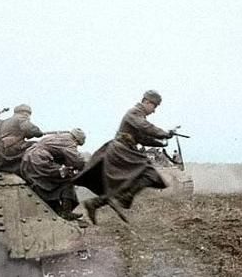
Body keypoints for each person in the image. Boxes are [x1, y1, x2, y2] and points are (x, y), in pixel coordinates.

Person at [74, 90, 175, 224]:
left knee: (142, 177)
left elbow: (142, 138)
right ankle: (120, 198)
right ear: (146, 101)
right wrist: (164, 133)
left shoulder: (139, 116)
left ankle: (97, 203)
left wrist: (162, 142)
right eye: (154, 106)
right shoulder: (134, 112)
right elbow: (145, 127)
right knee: (148, 174)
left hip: (125, 150)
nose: (154, 111)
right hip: (121, 150)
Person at [20, 128, 87, 220]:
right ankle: (66, 212)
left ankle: (58, 211)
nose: (76, 146)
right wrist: (85, 168)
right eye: (78, 144)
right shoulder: (69, 142)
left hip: (27, 159)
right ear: (76, 139)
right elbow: (77, 160)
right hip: (40, 159)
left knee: (44, 184)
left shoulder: (58, 137)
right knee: (67, 179)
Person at [0, 103, 43, 174]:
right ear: (25, 113)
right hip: (12, 148)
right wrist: (39, 132)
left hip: (0, 151)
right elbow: (31, 130)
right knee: (38, 146)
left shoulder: (4, 122)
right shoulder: (21, 118)